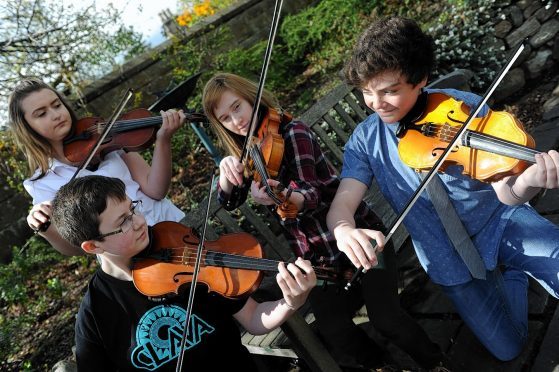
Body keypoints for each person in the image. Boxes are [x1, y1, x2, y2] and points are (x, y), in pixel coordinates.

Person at [327, 16, 559, 362]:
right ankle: (513, 276)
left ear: (420, 79)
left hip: (499, 221)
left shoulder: (461, 109)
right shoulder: (365, 140)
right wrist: (343, 228)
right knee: (508, 349)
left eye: (390, 90)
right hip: (446, 256)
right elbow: (344, 200)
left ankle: (514, 263)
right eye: (367, 92)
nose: (377, 103)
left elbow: (506, 191)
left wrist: (529, 181)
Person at [202, 72, 449, 371]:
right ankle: (382, 366)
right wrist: (227, 175)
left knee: (386, 318)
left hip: (358, 235)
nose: (236, 120)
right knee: (334, 331)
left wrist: (279, 195)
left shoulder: (293, 133)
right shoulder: (248, 154)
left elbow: (312, 192)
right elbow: (230, 200)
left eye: (237, 107)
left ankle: (434, 363)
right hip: (318, 258)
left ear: (250, 96)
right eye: (225, 117)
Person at [50, 175, 316, 371]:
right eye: (123, 222)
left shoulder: (180, 251)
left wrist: (291, 302)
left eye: (133, 209)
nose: (140, 221)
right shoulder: (97, 311)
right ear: (93, 246)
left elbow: (254, 319)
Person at [8, 78, 186, 256]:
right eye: (41, 114)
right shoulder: (41, 183)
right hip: (138, 255)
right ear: (27, 127)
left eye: (57, 105)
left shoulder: (104, 137)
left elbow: (156, 190)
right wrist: (45, 229)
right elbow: (75, 247)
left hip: (173, 224)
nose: (56, 115)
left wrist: (163, 139)